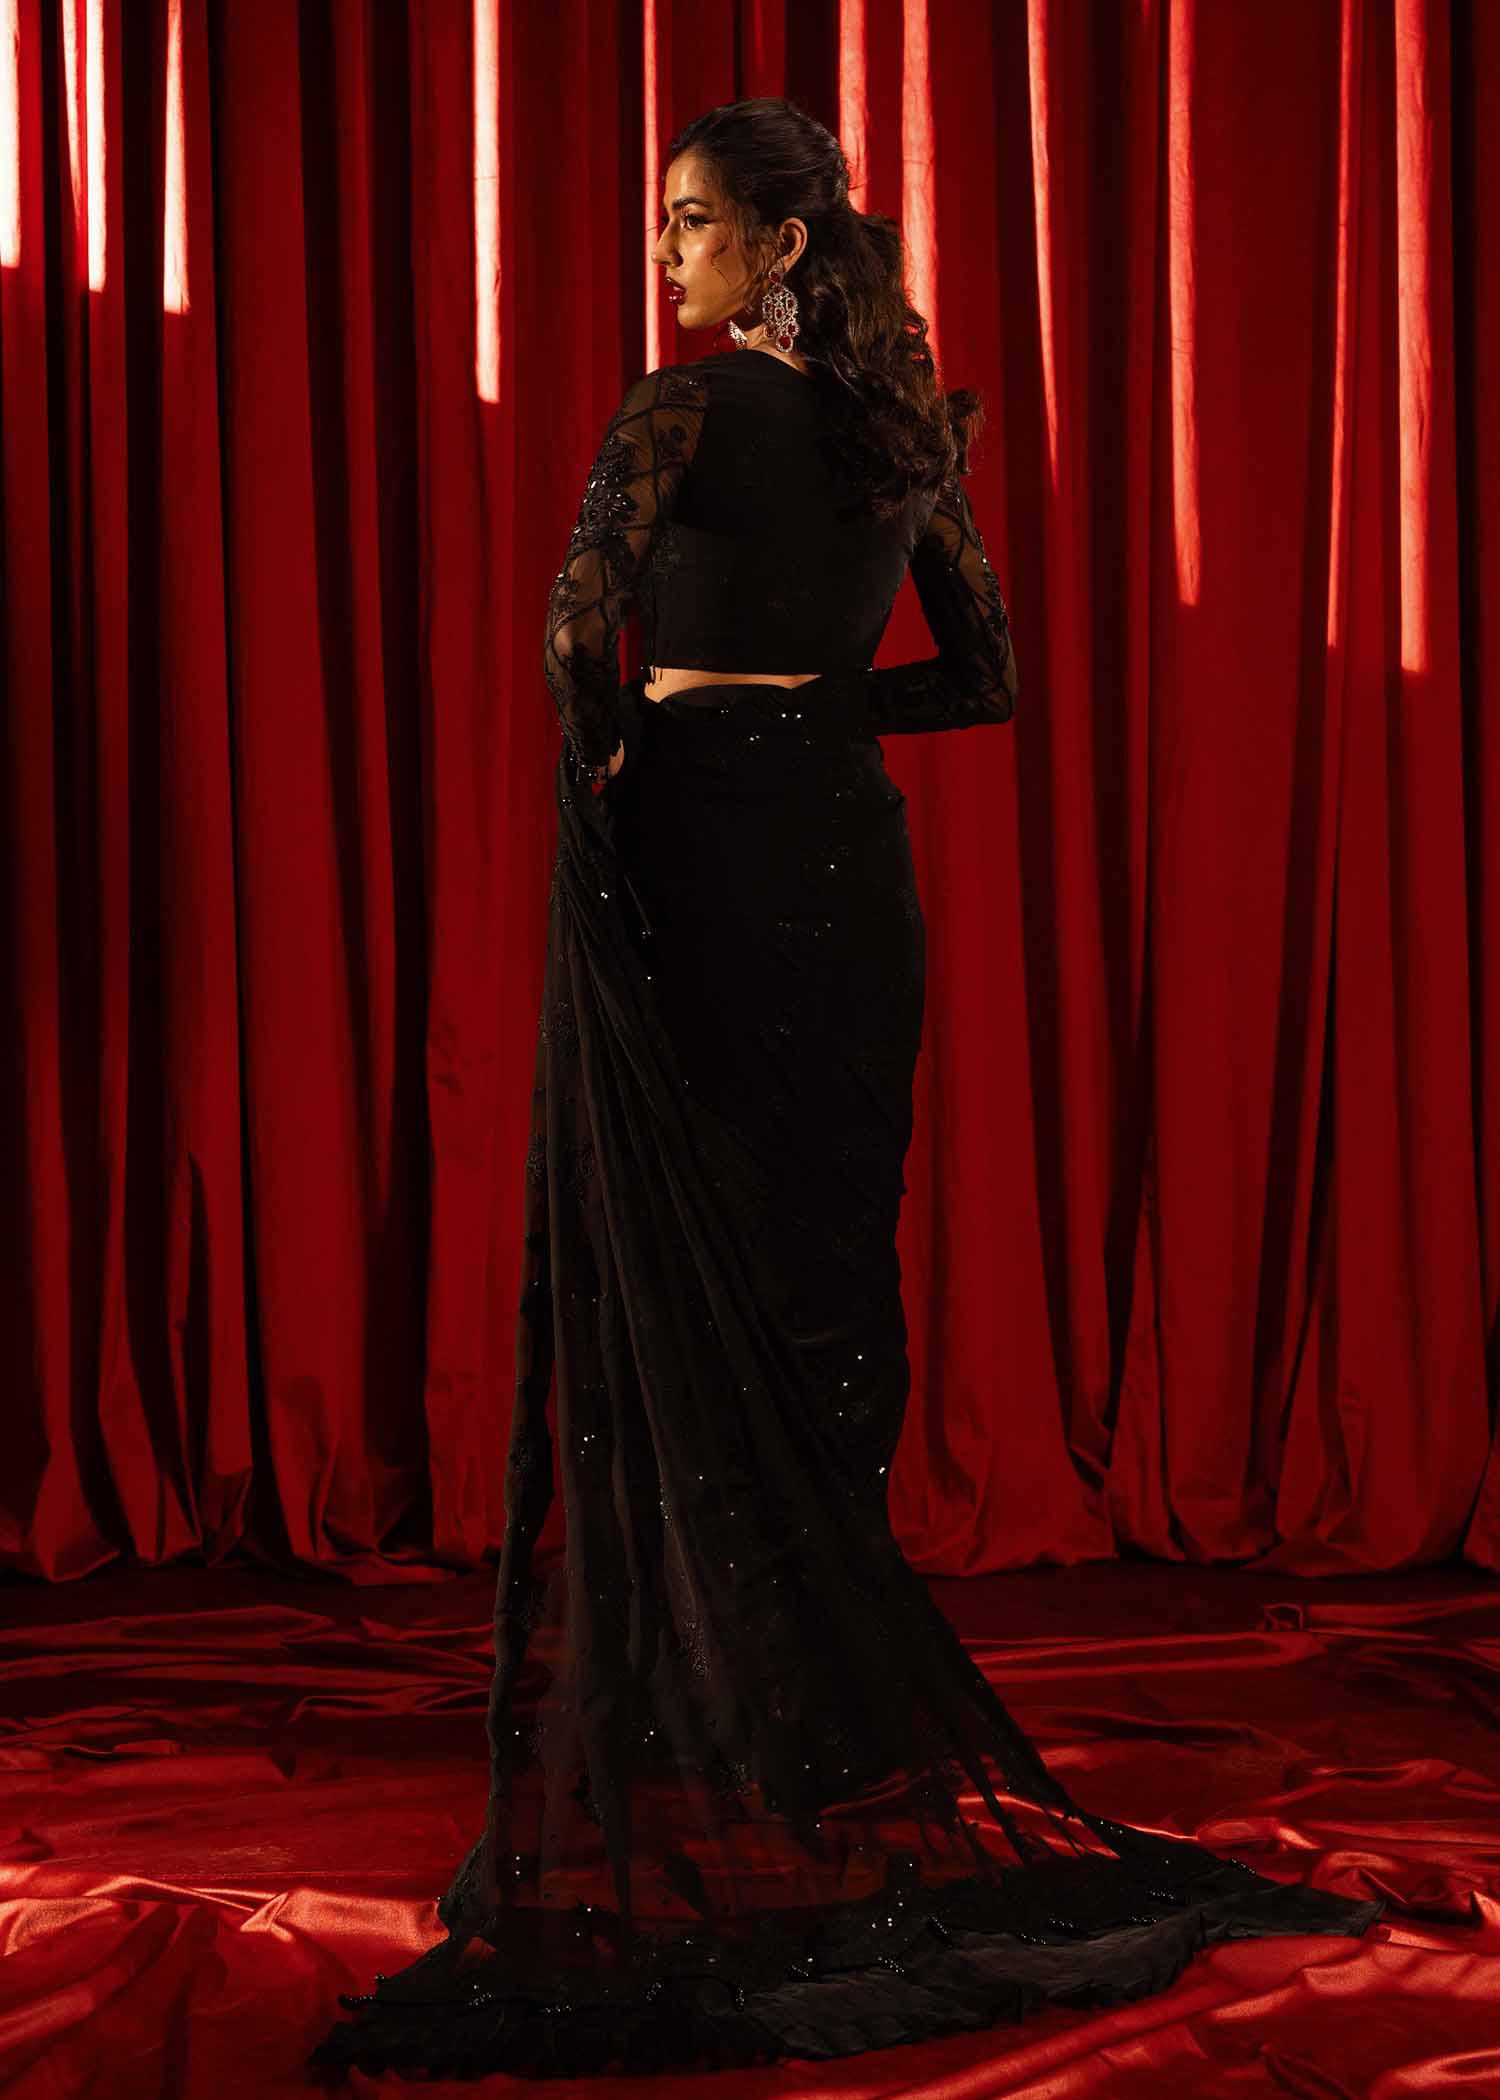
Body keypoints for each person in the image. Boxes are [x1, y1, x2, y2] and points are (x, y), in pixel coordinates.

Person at [309, 97, 1381, 2082]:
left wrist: (641, 745)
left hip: (707, 847)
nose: (667, 254)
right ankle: (819, 1715)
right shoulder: (905, 438)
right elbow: (983, 680)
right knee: (824, 1265)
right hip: (845, 858)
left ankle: (691, 1700)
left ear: (781, 245)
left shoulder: (679, 410)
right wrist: (817, 712)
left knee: (685, 1255)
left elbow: (572, 634)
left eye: (692, 222)